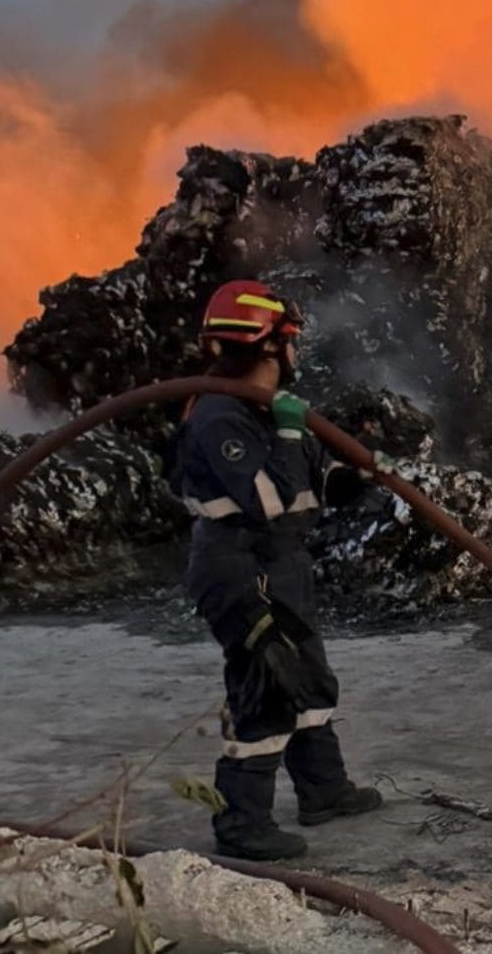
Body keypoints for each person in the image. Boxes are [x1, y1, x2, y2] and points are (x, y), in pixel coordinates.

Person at [170, 279, 387, 861]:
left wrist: (361, 476)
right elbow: (264, 500)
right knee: (266, 690)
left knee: (309, 680)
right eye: (291, 342)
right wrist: (291, 433)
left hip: (281, 564)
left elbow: (308, 487)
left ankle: (323, 790)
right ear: (270, 346)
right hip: (242, 569)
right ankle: (241, 824)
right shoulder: (220, 416)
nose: (296, 355)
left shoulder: (260, 412)